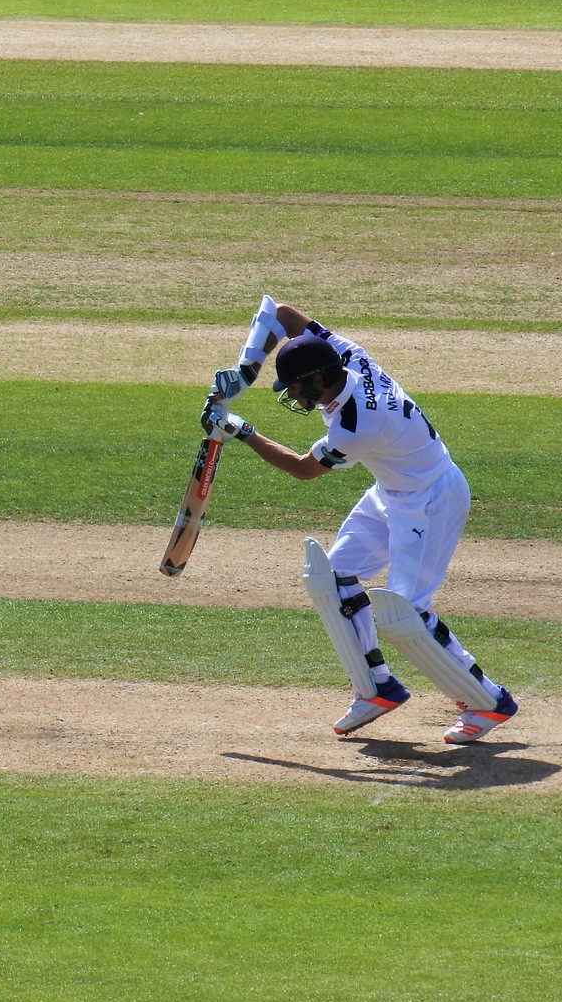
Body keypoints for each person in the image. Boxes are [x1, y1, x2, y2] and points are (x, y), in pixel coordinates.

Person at [200, 297, 518, 745]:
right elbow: (283, 313)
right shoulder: (348, 355)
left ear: (318, 378)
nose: (293, 396)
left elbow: (303, 469)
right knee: (332, 579)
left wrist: (241, 430)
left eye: (296, 388)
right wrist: (245, 371)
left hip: (432, 500)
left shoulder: (357, 424)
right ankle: (376, 688)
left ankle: (488, 700)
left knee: (405, 615)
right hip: (393, 490)